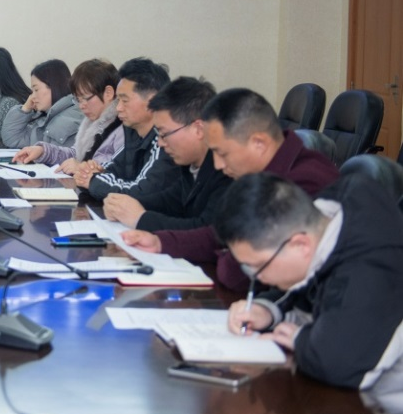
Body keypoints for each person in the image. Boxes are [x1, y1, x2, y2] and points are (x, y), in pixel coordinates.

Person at [122, 87, 340, 291]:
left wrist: (226, 253)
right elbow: (219, 232)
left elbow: (235, 273)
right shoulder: (255, 174)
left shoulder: (306, 182)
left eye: (222, 153)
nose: (218, 165)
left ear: (259, 144)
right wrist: (162, 242)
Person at [220, 172, 403, 390]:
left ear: (300, 245)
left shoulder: (371, 270)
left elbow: (339, 364)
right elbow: (310, 283)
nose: (257, 277)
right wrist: (267, 309)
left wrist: (299, 339)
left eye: (258, 267)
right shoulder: (329, 216)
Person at [102, 76, 232, 230]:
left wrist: (141, 219)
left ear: (198, 129)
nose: (160, 143)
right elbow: (168, 201)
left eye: (164, 134)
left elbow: (205, 231)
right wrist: (122, 205)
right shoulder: (191, 166)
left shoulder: (226, 170)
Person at [76, 57, 176, 202]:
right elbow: (111, 169)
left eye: (125, 100)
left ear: (153, 101)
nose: (118, 108)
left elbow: (141, 192)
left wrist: (92, 180)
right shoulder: (133, 132)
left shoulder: (166, 139)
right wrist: (90, 173)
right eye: (118, 100)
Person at [0, 59, 84, 150]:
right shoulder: (47, 118)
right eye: (32, 91)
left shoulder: (68, 120)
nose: (32, 97)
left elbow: (57, 157)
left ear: (54, 86)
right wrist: (25, 109)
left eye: (36, 90)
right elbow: (12, 139)